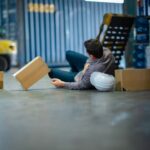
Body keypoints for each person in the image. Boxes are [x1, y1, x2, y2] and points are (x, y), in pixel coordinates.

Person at [48, 39, 116, 90]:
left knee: (52, 72)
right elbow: (90, 59)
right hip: (87, 69)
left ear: (91, 55)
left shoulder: (93, 70)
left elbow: (82, 85)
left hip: (81, 79)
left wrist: (62, 84)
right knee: (69, 54)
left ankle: (72, 75)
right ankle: (73, 72)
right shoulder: (106, 51)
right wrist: (86, 64)